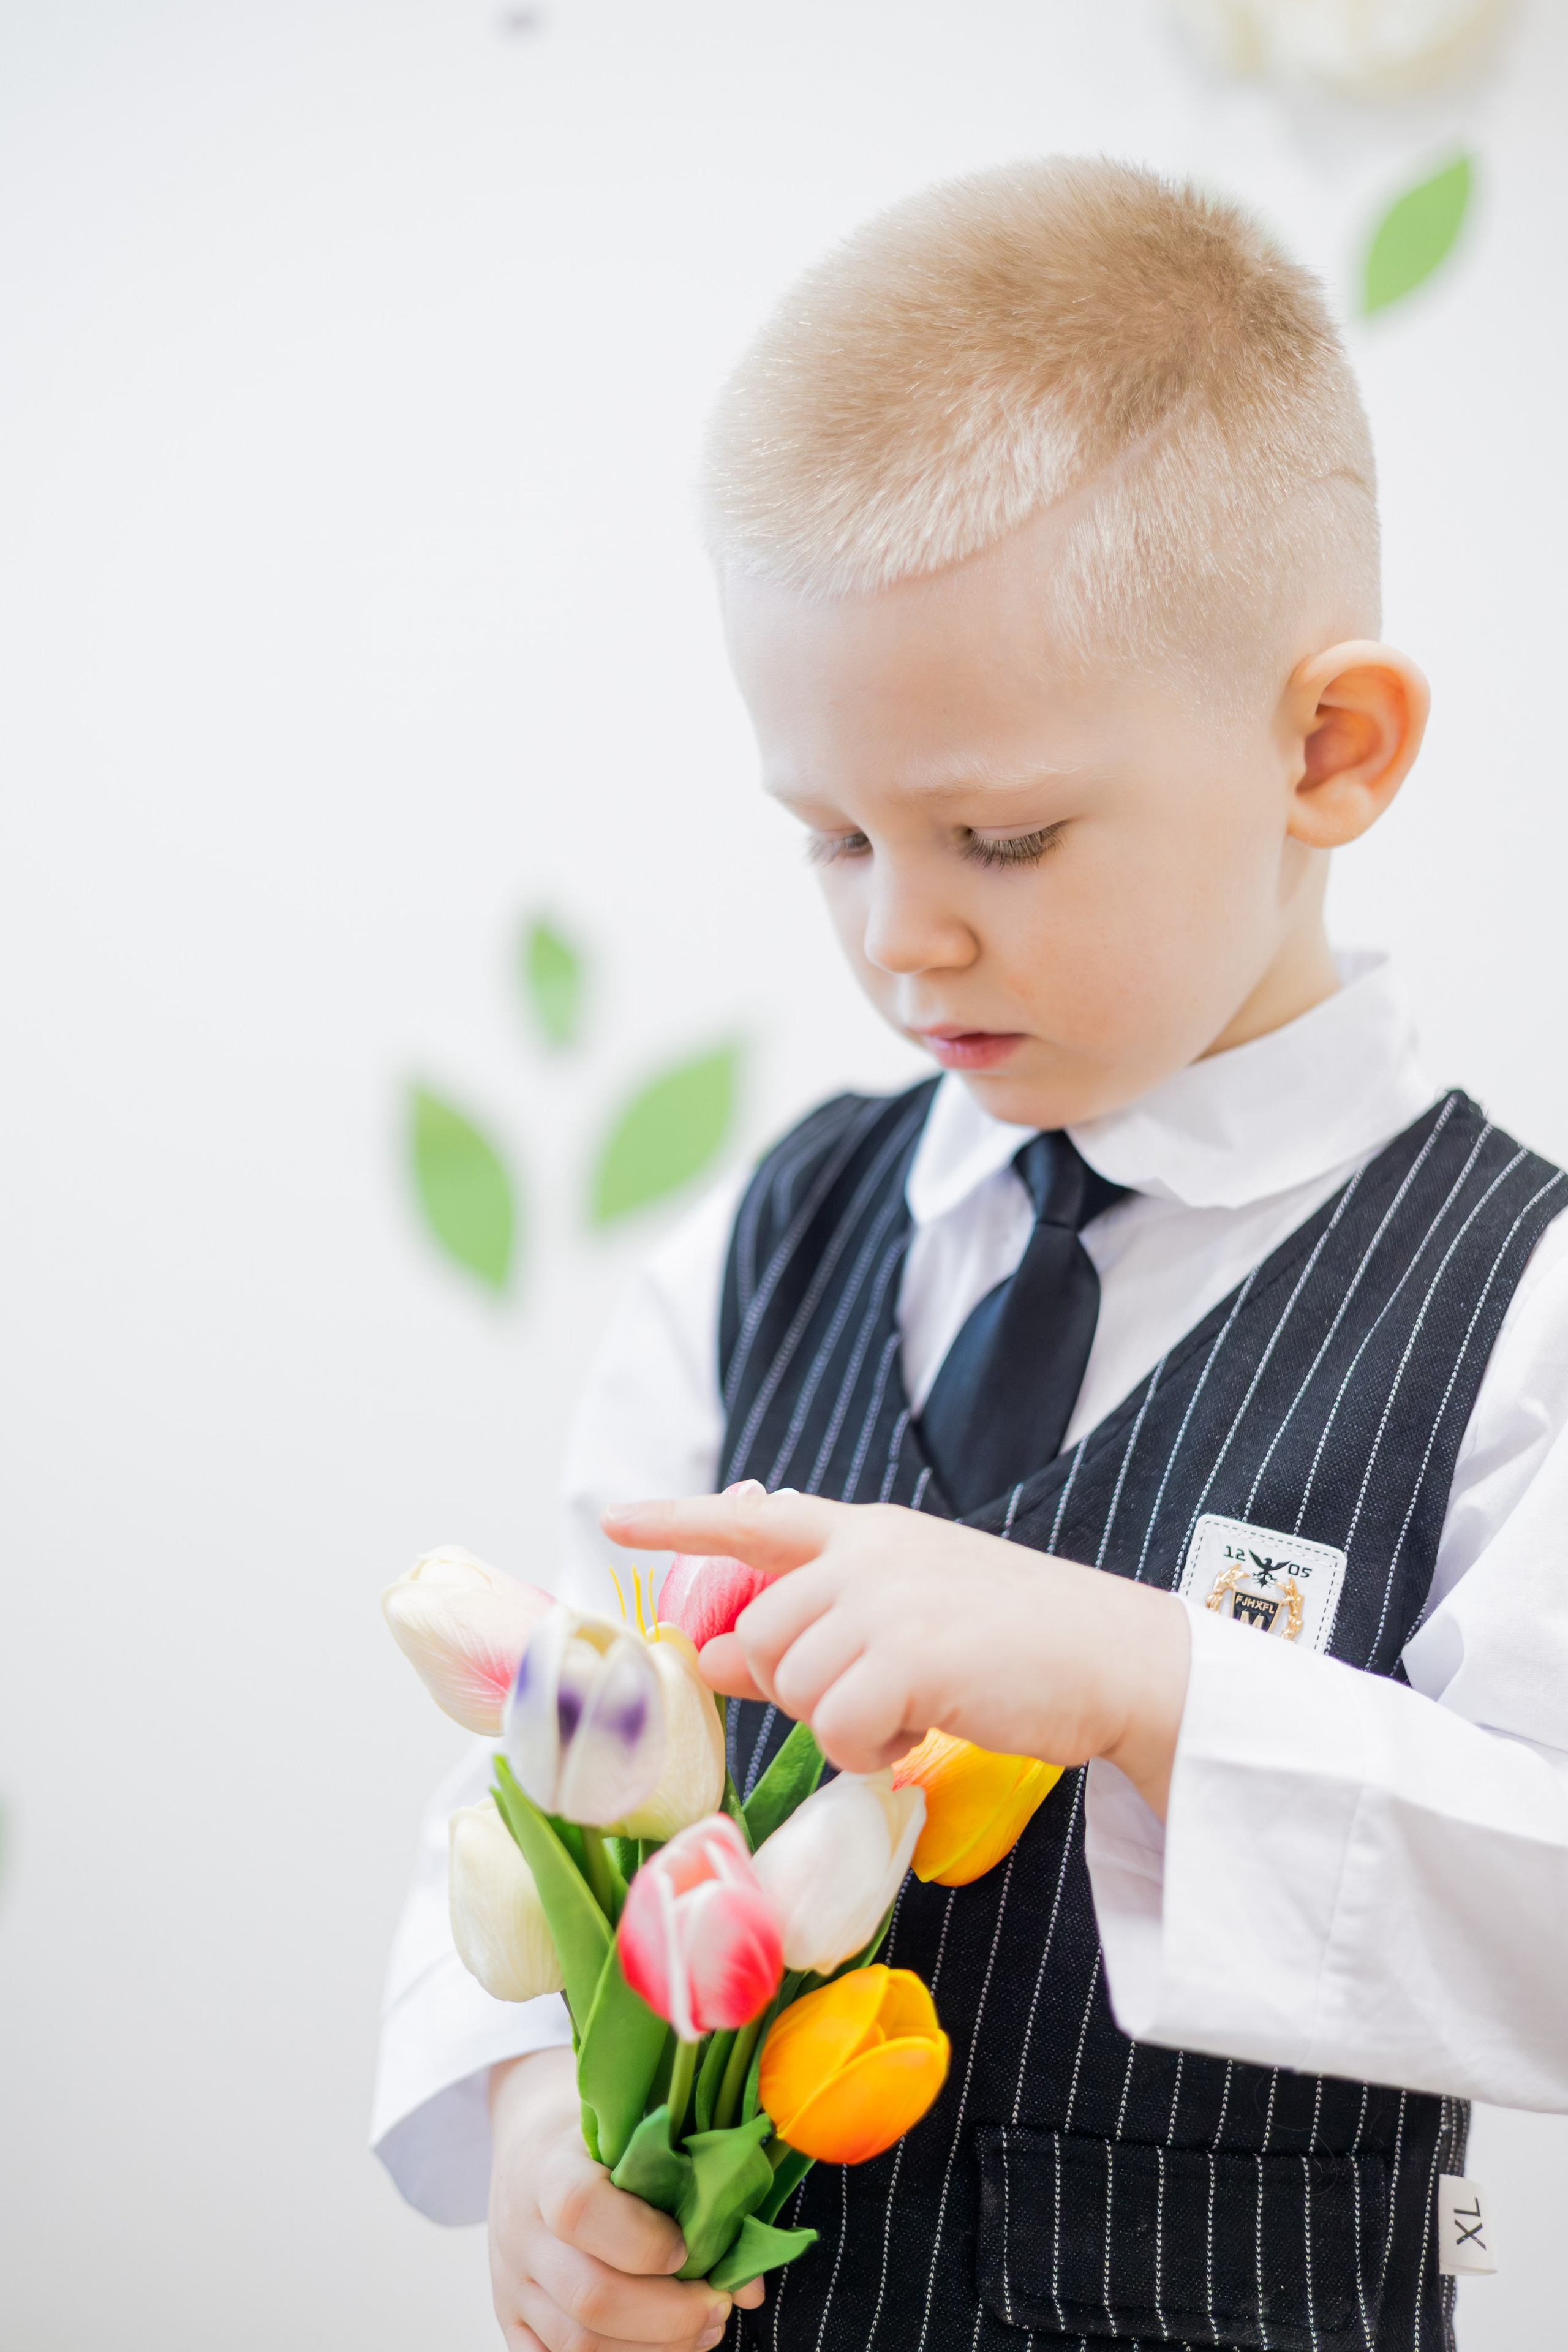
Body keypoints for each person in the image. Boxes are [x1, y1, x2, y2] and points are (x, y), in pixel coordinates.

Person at [372, 159, 1568, 2352]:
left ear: (1328, 748)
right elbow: (539, 1772)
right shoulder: (765, 1242)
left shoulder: (1521, 1316)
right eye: (831, 835)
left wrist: (1142, 1680)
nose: (902, 933)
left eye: (998, 837)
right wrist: (539, 2125)